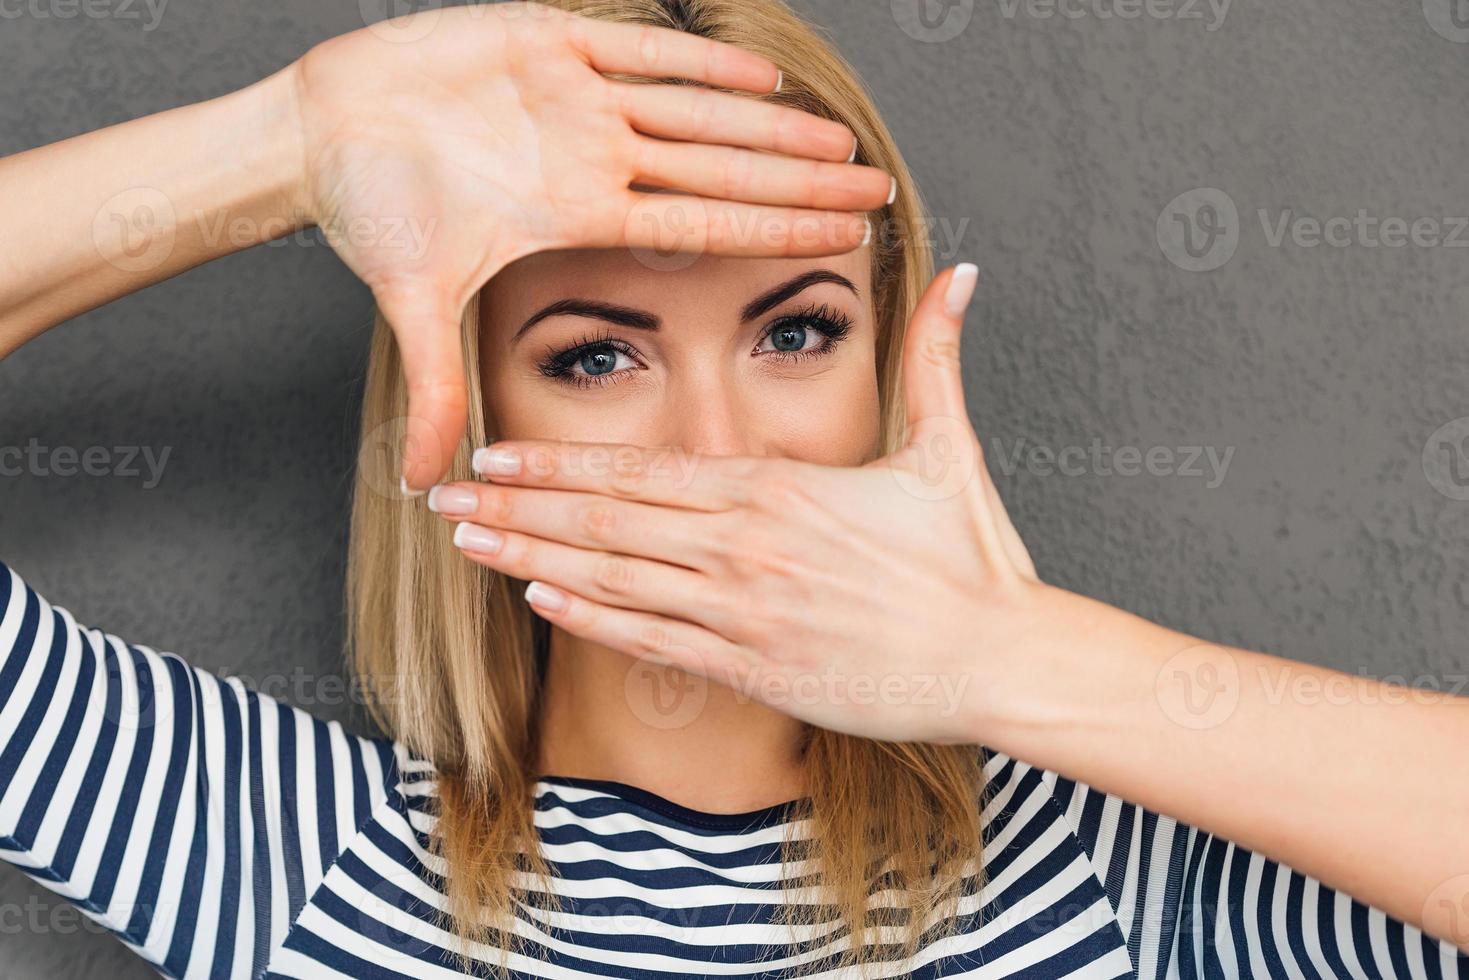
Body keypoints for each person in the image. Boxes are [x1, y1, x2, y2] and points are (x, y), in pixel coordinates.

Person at [1, 1, 1465, 977]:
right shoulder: (281, 849)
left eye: (795, 332)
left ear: (889, 368)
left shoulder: (1121, 871)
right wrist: (281, 147)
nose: (716, 444)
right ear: (465, 406)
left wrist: (1018, 658)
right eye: (592, 357)